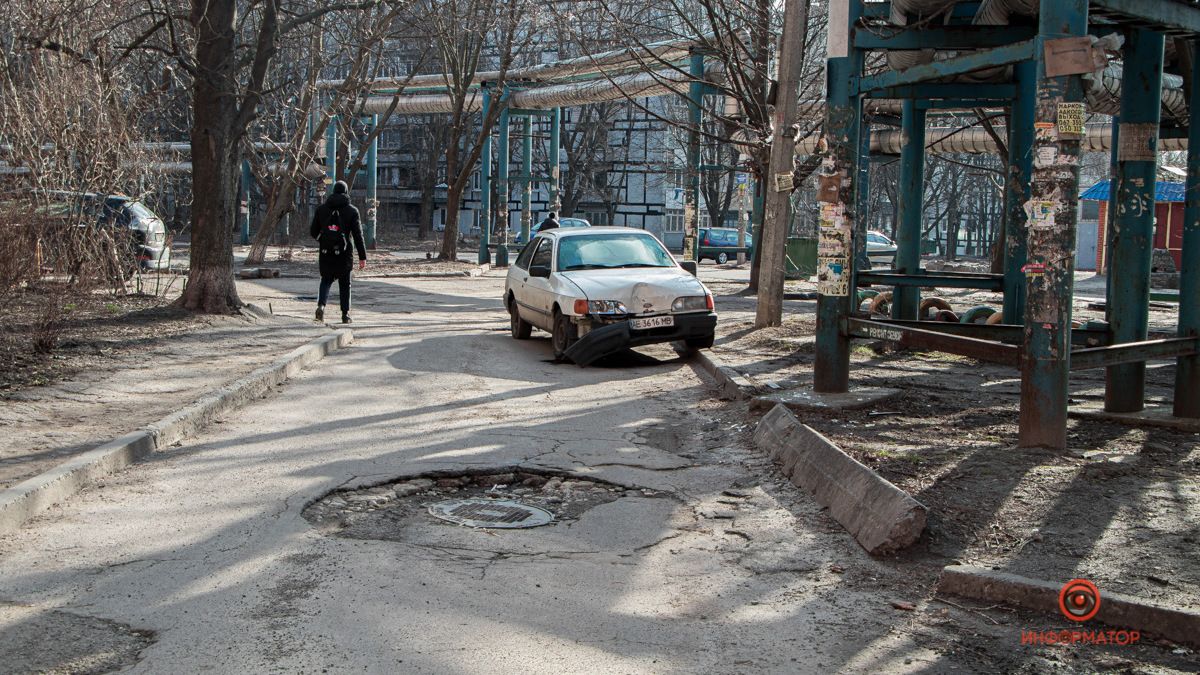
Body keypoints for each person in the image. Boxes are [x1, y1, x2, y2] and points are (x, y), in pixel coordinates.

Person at [310, 180, 366, 324]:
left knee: (326, 280)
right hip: (344, 254)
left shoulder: (321, 209)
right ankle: (345, 315)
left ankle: (321, 306)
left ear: (333, 191)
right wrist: (362, 256)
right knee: (345, 283)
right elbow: (358, 235)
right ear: (346, 192)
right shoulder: (352, 211)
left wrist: (324, 240)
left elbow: (313, 231)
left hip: (325, 252)